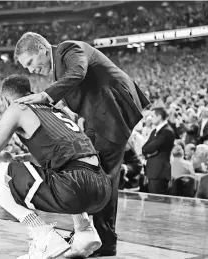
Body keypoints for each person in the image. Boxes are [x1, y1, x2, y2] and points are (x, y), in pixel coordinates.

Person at [14, 32, 149, 257]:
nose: (30, 70)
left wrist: (46, 96)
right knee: (99, 174)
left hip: (113, 113)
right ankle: (94, 237)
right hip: (102, 118)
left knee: (101, 175)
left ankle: (102, 241)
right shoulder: (59, 69)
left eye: (30, 62)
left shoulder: (68, 49)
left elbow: (78, 72)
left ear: (42, 50)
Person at [0, 75, 112, 259]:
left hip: (74, 187)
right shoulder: (55, 106)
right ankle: (84, 230)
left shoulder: (18, 107)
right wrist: (20, 158)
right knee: (59, 167)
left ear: (5, 99)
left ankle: (43, 236)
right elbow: (61, 151)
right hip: (102, 186)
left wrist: (4, 157)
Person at [142, 107, 175, 195]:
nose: (151, 118)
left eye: (152, 116)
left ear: (159, 117)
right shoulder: (155, 131)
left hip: (160, 172)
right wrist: (148, 152)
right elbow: (144, 149)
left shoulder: (167, 131)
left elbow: (150, 148)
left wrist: (148, 152)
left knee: (157, 203)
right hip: (153, 171)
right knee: (152, 201)